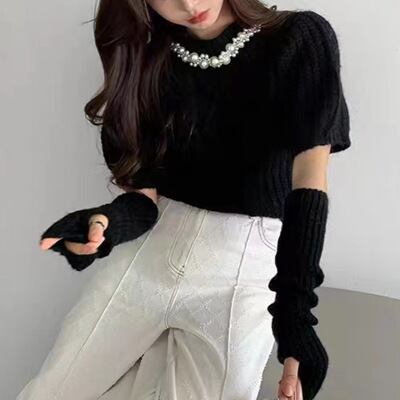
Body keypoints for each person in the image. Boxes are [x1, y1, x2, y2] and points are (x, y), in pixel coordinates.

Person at [17, 1, 351, 400]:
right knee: (50, 392)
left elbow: (309, 183)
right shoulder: (145, 59)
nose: (189, 4)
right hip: (151, 252)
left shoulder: (298, 38)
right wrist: (105, 224)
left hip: (243, 267)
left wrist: (296, 319)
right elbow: (144, 200)